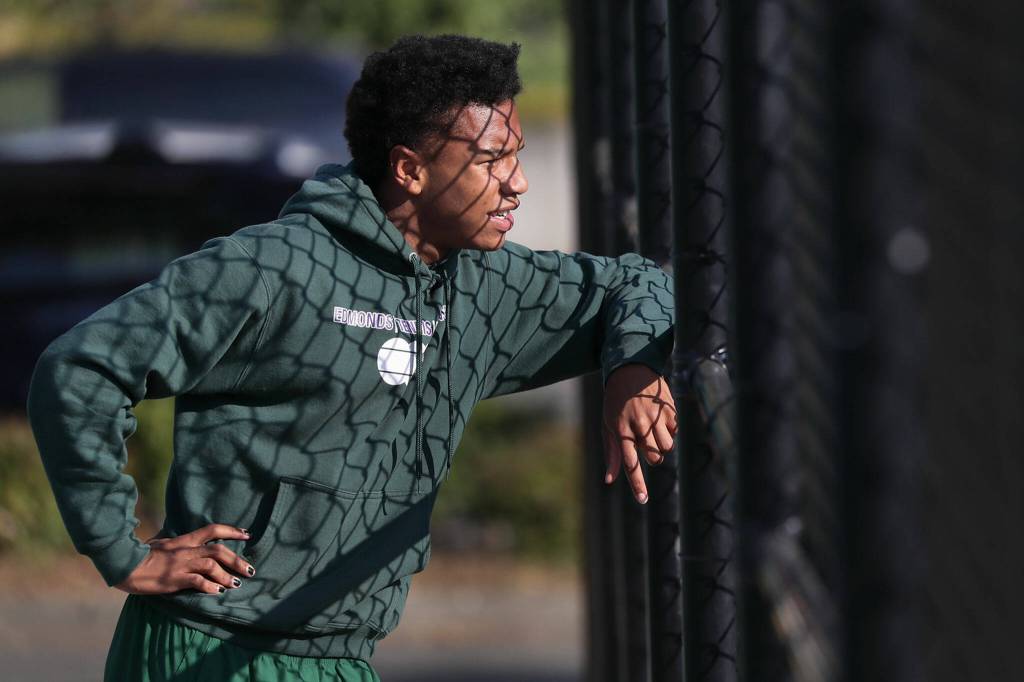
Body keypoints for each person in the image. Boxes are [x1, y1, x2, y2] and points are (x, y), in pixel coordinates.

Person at [27, 35, 676, 681]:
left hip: (341, 660)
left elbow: (643, 282)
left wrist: (634, 365)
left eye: (518, 156)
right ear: (409, 170)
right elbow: (80, 369)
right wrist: (123, 551)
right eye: (490, 160)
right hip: (207, 649)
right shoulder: (272, 266)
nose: (518, 183)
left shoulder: (488, 286)